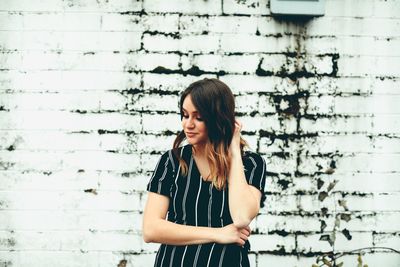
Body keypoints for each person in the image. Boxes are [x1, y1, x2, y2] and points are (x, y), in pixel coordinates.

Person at [142, 78, 267, 267]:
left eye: (198, 117)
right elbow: (151, 229)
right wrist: (218, 234)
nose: (188, 124)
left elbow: (242, 217)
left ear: (218, 118)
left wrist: (233, 148)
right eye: (185, 115)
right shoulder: (172, 161)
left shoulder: (251, 163)